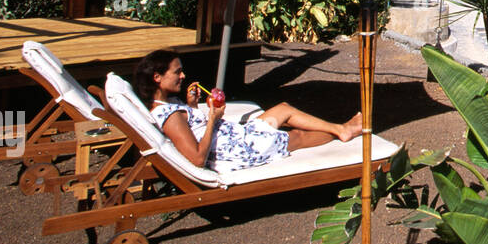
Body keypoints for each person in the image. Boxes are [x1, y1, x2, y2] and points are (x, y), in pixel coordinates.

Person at [132, 50, 363, 172]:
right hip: (235, 151)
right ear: (157, 77)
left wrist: (191, 105)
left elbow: (191, 127)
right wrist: (213, 118)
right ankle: (342, 132)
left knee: (283, 109)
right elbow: (197, 158)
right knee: (296, 136)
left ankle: (340, 128)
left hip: (232, 137)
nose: (183, 76)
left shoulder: (170, 103)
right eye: (177, 72)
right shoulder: (170, 117)